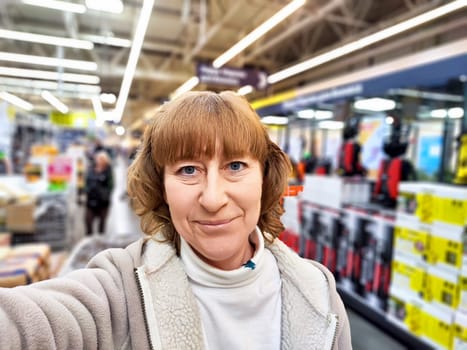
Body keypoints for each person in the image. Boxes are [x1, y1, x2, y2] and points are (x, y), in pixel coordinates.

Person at [0, 91, 352, 349]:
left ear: (265, 178)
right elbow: (26, 324)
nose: (213, 199)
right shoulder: (121, 290)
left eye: (235, 166)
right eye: (188, 170)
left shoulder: (318, 295)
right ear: (161, 187)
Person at [85, 150, 114, 235]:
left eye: (102, 159)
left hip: (103, 202)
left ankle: (101, 240)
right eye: (98, 158)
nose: (99, 160)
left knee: (102, 223)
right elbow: (86, 182)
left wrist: (105, 193)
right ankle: (89, 239)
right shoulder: (91, 169)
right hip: (91, 200)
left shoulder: (108, 171)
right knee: (88, 221)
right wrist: (87, 190)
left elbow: (111, 185)